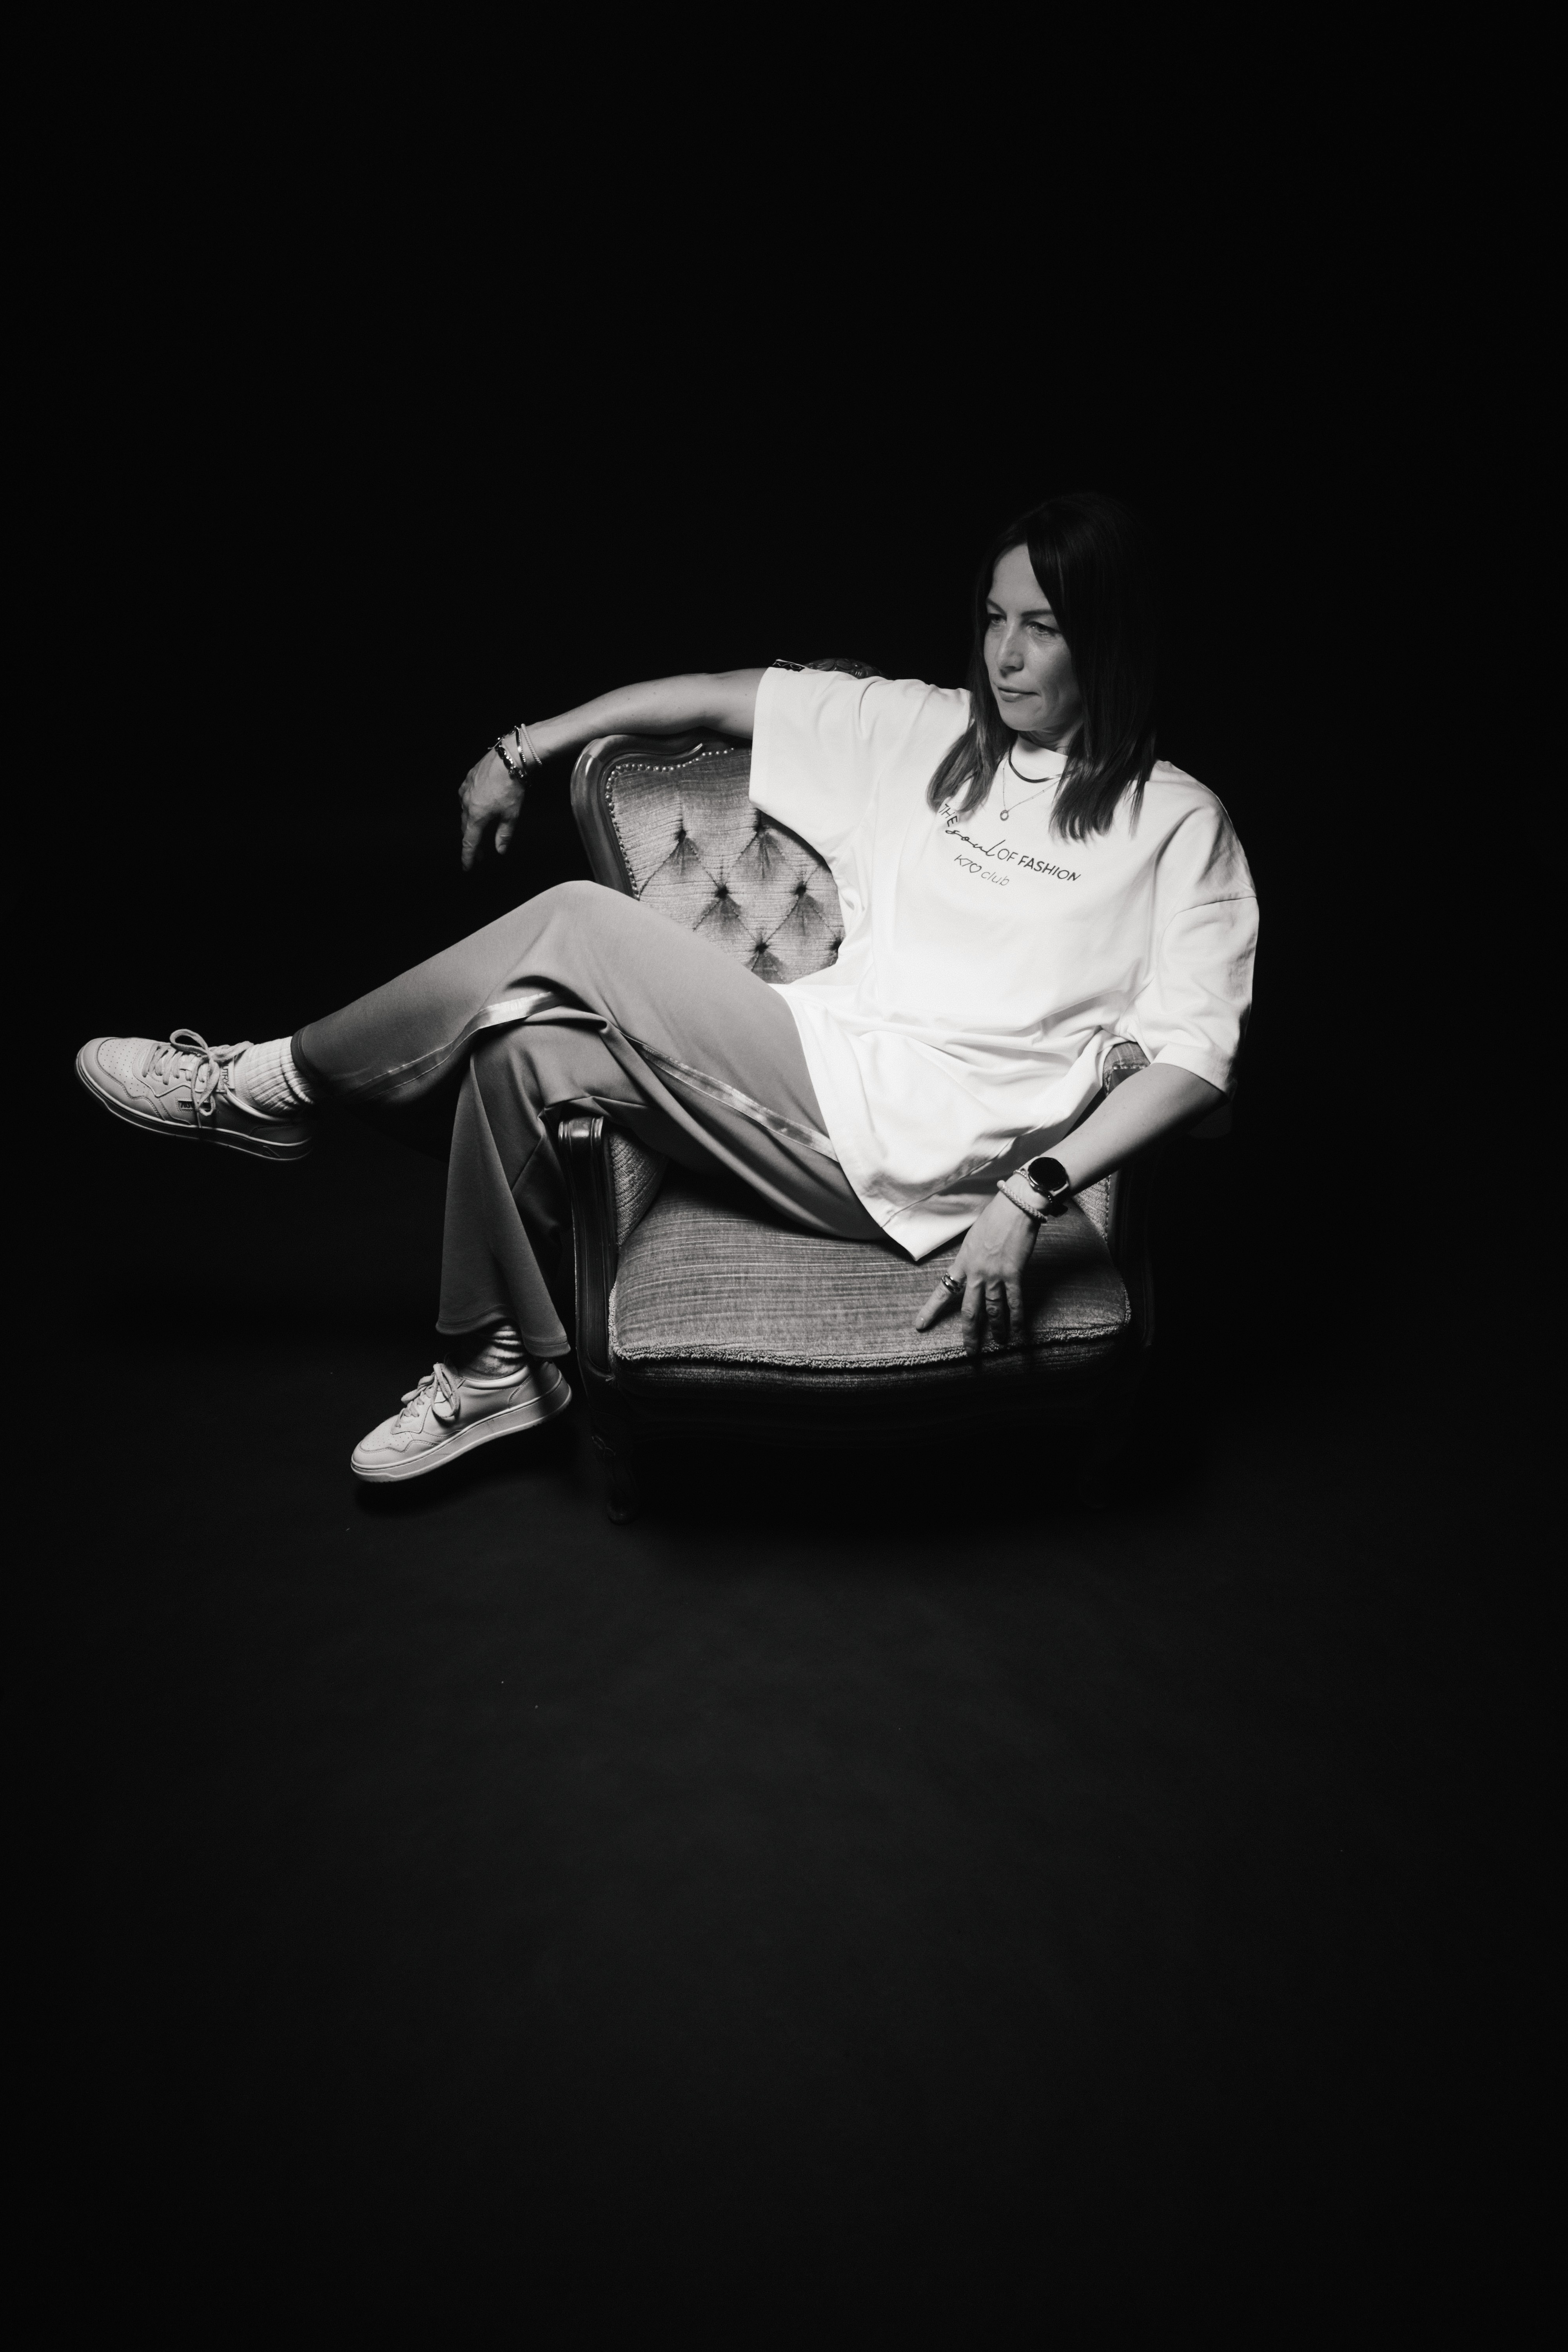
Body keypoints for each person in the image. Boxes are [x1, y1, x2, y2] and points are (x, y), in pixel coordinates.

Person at [76, 492, 1258, 1483]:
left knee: (579, 922)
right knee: (522, 1056)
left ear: (1105, 639)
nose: (1005, 656)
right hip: (818, 1077)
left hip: (931, 1150)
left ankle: (270, 1084)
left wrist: (1035, 1192)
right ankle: (497, 1369)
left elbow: (1198, 1066)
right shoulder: (930, 734)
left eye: (1042, 628)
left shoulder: (1179, 823)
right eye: (995, 620)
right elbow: (711, 693)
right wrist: (525, 747)